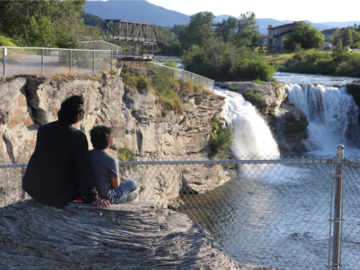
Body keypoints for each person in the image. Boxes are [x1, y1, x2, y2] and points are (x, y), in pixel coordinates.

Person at [22, 94, 110, 208]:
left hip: (33, 188)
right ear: (79, 118)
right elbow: (83, 170)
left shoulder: (43, 129)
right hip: (55, 195)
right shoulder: (78, 136)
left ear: (60, 112)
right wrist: (93, 197)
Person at [88, 125, 137, 204]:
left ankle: (120, 198)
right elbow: (116, 185)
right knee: (132, 183)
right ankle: (119, 199)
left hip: (87, 197)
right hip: (105, 198)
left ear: (91, 140)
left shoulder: (85, 156)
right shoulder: (112, 160)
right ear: (111, 142)